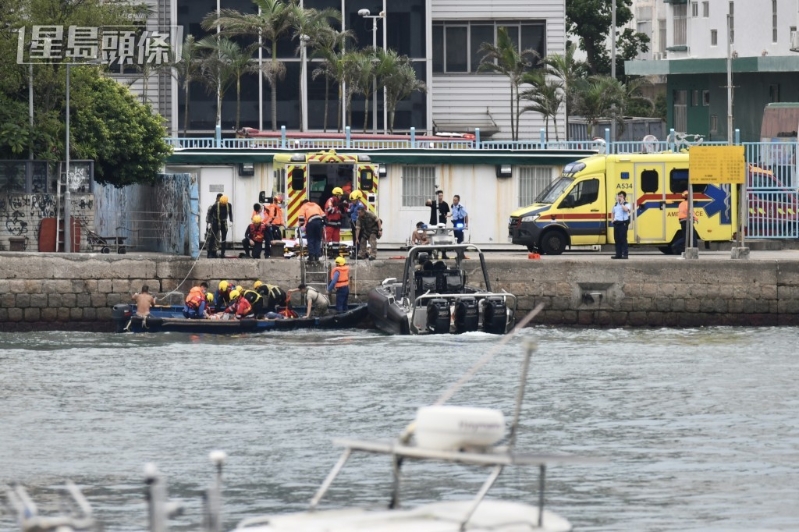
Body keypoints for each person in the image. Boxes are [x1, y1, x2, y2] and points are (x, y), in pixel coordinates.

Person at [206, 194, 233, 258]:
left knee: (224, 239)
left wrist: (231, 221)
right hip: (216, 221)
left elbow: (230, 213)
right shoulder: (215, 205)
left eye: (224, 204)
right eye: (221, 204)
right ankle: (209, 254)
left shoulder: (229, 205)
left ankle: (222, 253)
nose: (222, 205)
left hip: (224, 222)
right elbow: (210, 214)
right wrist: (209, 222)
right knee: (213, 238)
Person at [610, 191, 631, 259]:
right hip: (617, 223)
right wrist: (612, 220)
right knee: (617, 239)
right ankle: (618, 254)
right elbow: (612, 212)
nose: (619, 197)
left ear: (624, 197)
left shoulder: (627, 204)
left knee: (623, 239)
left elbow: (626, 210)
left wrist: (622, 204)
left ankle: (625, 254)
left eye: (621, 196)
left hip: (623, 223)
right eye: (619, 196)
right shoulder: (615, 204)